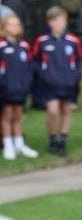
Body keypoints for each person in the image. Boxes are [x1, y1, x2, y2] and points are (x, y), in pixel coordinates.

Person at [32, 7, 82, 156]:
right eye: (55, 20)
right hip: (50, 84)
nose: (59, 23)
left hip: (68, 83)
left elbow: (79, 61)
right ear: (49, 22)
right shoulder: (42, 41)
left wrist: (74, 76)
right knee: (53, 110)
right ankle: (53, 138)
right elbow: (35, 61)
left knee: (66, 110)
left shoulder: (73, 41)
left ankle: (63, 139)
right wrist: (44, 74)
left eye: (61, 20)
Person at [0, 15, 36, 160]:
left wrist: (26, 82)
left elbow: (29, 66)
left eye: (17, 24)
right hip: (5, 88)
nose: (14, 27)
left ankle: (19, 143)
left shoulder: (24, 46)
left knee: (18, 116)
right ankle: (8, 144)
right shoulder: (1, 45)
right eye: (11, 25)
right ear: (4, 27)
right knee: (7, 116)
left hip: (20, 88)